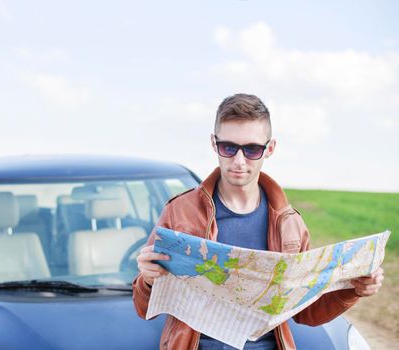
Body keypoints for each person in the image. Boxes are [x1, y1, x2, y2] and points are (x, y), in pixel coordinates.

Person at [132, 93, 384, 350]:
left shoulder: (289, 224)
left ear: (270, 148)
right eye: (228, 147)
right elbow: (143, 307)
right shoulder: (180, 211)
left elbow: (306, 313)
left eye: (252, 149)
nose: (239, 161)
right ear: (213, 143)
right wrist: (148, 279)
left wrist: (353, 289)